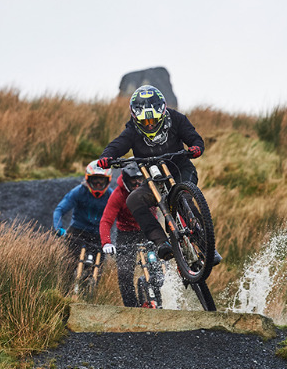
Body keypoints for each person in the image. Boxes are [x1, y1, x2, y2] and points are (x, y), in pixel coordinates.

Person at [97, 85, 222, 265]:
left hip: (180, 170)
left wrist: (196, 148)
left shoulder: (177, 119)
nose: (150, 124)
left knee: (182, 196)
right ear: (136, 117)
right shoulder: (132, 130)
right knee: (133, 200)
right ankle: (161, 242)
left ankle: (206, 245)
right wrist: (106, 157)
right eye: (145, 122)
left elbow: (194, 137)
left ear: (162, 113)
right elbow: (117, 145)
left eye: (154, 120)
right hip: (152, 178)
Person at [99, 163, 148, 307]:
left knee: (157, 269)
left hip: (149, 231)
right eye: (133, 180)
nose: (137, 183)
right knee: (125, 274)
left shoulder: (149, 189)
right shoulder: (118, 195)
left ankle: (156, 297)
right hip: (126, 234)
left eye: (140, 179)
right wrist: (106, 242)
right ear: (126, 180)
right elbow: (106, 220)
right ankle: (132, 308)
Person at [53, 159, 114, 265]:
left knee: (98, 267)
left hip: (100, 234)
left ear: (108, 181)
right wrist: (58, 228)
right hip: (78, 232)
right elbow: (59, 210)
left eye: (101, 181)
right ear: (88, 179)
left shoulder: (112, 196)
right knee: (69, 264)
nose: (98, 184)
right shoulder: (78, 192)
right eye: (95, 180)